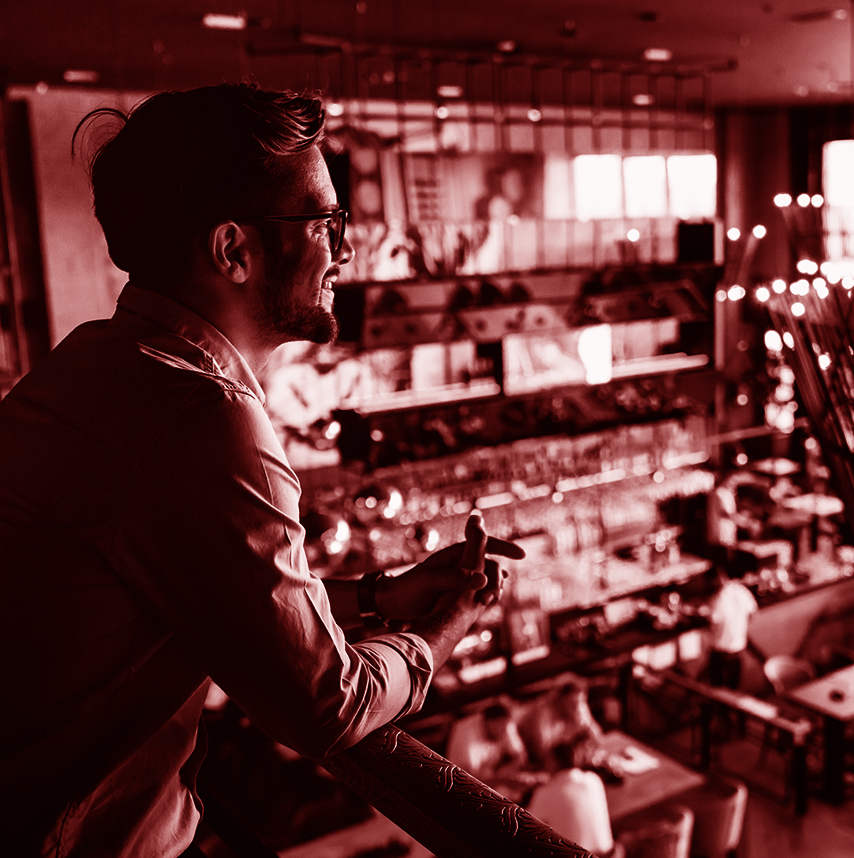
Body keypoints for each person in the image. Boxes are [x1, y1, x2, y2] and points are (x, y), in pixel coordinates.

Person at [0, 83, 525, 857]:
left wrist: (381, 595)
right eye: (323, 221)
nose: (344, 248)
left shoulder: (93, 363)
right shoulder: (198, 416)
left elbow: (212, 592)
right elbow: (326, 705)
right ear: (233, 250)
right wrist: (442, 626)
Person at [444, 701, 540, 803]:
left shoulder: (505, 725)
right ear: (489, 722)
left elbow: (520, 756)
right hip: (460, 793)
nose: (505, 733)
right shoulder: (465, 734)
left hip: (492, 783)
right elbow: (469, 783)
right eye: (502, 729)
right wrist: (504, 780)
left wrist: (506, 771)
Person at [519, 678, 606, 772]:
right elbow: (543, 755)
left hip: (564, 762)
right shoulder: (543, 714)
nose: (578, 708)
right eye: (573, 704)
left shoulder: (579, 707)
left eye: (582, 702)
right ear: (561, 700)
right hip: (533, 763)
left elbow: (598, 738)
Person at [703, 568, 758, 689]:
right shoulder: (741, 590)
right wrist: (740, 629)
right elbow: (752, 612)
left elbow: (711, 622)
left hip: (720, 655)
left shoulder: (717, 599)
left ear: (712, 581)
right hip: (737, 653)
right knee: (733, 691)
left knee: (717, 691)